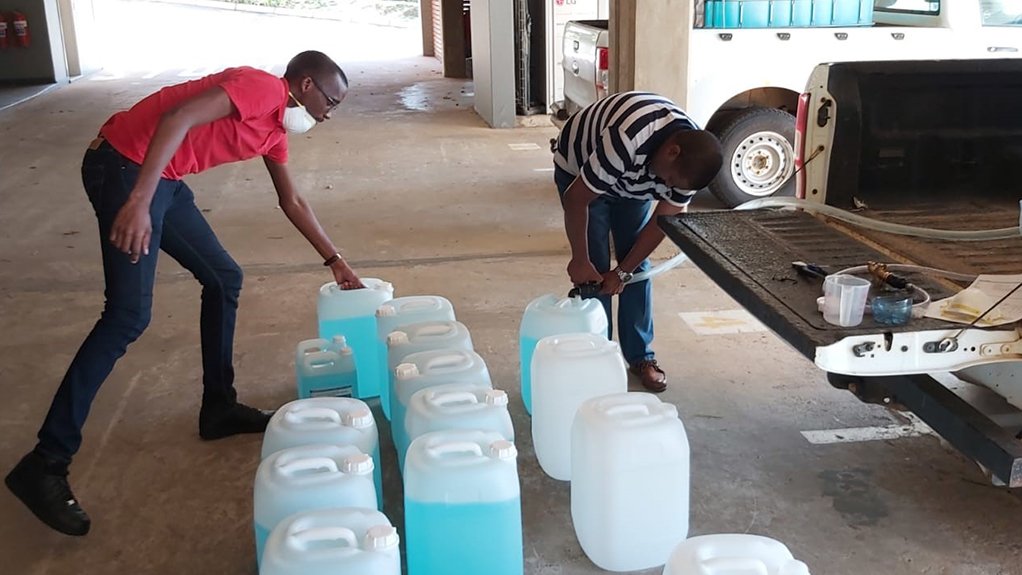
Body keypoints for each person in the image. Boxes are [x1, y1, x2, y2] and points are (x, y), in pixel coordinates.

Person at [5, 50, 364, 537]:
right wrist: (138, 202)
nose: (329, 114)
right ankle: (46, 462)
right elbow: (178, 116)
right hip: (124, 165)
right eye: (330, 101)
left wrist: (335, 260)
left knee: (223, 278)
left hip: (163, 182)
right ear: (304, 85)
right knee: (127, 315)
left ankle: (218, 407)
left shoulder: (276, 131)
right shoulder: (260, 87)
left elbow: (292, 200)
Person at [553, 91, 723, 392]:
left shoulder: (692, 162)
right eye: (670, 180)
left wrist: (623, 272)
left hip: (632, 185)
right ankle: (597, 354)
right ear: (672, 152)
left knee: (636, 266)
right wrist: (579, 260)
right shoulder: (628, 137)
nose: (667, 187)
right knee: (594, 268)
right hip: (581, 169)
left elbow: (664, 220)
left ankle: (640, 356)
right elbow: (577, 199)